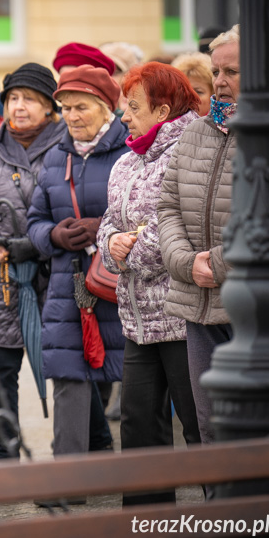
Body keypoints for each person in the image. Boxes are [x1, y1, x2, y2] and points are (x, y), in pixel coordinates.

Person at [97, 62, 202, 505]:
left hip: (181, 318)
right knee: (139, 424)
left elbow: (177, 227)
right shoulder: (125, 160)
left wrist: (127, 252)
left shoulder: (191, 151)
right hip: (137, 319)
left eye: (133, 107)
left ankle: (231, 511)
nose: (123, 115)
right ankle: (144, 523)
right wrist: (111, 244)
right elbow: (108, 223)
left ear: (161, 111)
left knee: (199, 425)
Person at [0, 63, 67, 461]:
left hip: (50, 278)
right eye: (13, 99)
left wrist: (33, 244)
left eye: (30, 100)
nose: (19, 107)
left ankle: (87, 451)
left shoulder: (65, 144)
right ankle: (3, 461)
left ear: (49, 107)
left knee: (67, 374)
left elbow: (68, 211)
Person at [27, 65, 127, 464]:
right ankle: (66, 482)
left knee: (134, 383)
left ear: (106, 108)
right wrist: (55, 236)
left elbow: (150, 215)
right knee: (68, 378)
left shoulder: (130, 151)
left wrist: (101, 227)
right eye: (65, 108)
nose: (71, 116)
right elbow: (34, 222)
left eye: (81, 106)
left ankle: (143, 484)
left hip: (121, 286)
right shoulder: (56, 156)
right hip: (69, 289)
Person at [157, 25, 239, 447]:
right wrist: (187, 262)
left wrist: (219, 264)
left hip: (252, 310)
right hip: (197, 306)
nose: (221, 82)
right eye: (216, 71)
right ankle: (219, 513)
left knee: (256, 432)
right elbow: (166, 206)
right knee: (209, 430)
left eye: (232, 71)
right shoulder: (195, 133)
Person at [171, 52, 214, 116]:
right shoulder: (163, 124)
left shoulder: (223, 125)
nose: (190, 98)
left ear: (213, 96)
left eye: (198, 92)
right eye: (183, 91)